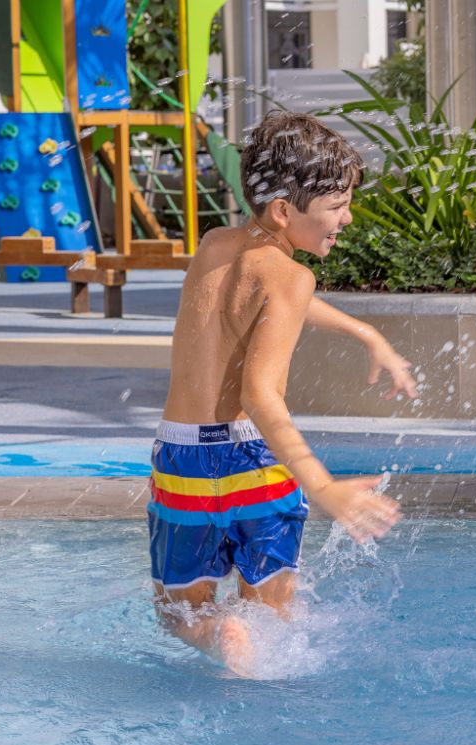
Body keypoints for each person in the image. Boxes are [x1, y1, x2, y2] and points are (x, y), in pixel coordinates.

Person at [147, 111, 418, 675]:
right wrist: (322, 486)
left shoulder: (216, 246)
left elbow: (265, 303)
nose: (346, 217)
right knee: (273, 621)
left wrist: (363, 331)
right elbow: (261, 392)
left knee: (179, 615)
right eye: (336, 206)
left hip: (183, 463)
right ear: (284, 211)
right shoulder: (294, 277)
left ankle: (225, 638)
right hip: (256, 460)